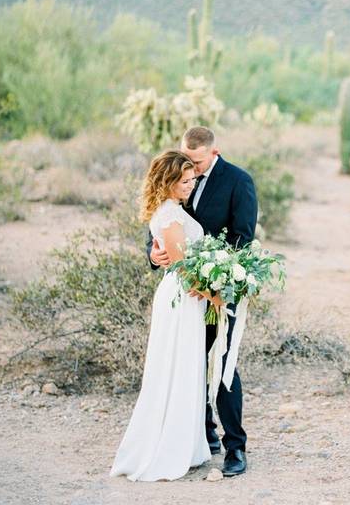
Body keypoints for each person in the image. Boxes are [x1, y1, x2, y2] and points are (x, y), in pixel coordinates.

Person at [146, 126, 258, 477]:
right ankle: (202, 435)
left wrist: (217, 284)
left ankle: (235, 447)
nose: (190, 171)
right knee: (188, 363)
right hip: (186, 295)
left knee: (222, 365)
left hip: (218, 292)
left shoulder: (238, 181)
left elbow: (242, 238)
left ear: (214, 152)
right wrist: (154, 255)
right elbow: (162, 225)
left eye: (195, 163)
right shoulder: (176, 177)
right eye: (185, 162)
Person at [110, 150, 214, 481]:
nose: (191, 184)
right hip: (182, 298)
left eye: (192, 178)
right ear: (169, 182)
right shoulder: (169, 215)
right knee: (177, 367)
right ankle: (168, 449)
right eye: (184, 181)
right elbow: (184, 268)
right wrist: (217, 295)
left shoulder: (172, 210)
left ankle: (187, 445)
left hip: (185, 298)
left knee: (185, 367)